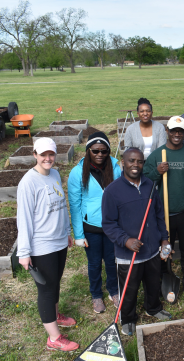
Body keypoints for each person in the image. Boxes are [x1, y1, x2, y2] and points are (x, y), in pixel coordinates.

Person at [16, 137, 78, 352]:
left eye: (51, 154)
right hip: (42, 245)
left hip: (59, 241)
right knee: (46, 290)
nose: (48, 158)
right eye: (43, 155)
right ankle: (53, 338)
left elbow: (61, 205)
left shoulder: (55, 174)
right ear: (35, 155)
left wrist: (67, 232)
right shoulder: (28, 183)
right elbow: (23, 219)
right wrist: (24, 252)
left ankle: (55, 316)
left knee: (55, 282)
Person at [102, 148, 172, 336]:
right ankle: (128, 319)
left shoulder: (150, 185)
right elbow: (108, 224)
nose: (135, 165)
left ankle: (153, 308)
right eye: (131, 161)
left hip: (152, 250)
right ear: (123, 163)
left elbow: (158, 214)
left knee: (153, 284)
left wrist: (164, 239)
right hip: (128, 254)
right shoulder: (112, 191)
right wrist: (125, 240)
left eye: (140, 161)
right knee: (129, 289)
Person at [143, 116, 184, 295]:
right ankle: (165, 274)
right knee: (164, 247)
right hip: (164, 213)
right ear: (167, 131)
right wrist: (157, 171)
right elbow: (145, 180)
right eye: (173, 130)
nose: (177, 134)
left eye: (180, 131)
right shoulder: (157, 155)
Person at [68, 132, 122, 314]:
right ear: (88, 151)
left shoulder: (115, 168)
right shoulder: (77, 173)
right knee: (94, 263)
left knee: (111, 260)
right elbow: (75, 205)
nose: (100, 154)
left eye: (104, 151)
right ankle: (96, 295)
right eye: (95, 151)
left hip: (112, 225)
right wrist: (79, 234)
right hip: (91, 227)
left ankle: (114, 291)